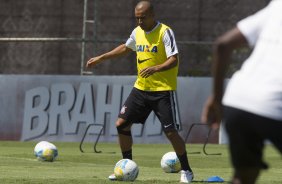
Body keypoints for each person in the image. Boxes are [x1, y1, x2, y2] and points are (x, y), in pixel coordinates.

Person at [86, 1, 193, 183]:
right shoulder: (137, 32)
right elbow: (126, 48)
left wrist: (156, 68)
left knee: (171, 133)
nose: (140, 21)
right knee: (121, 124)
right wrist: (101, 57)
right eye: (137, 18)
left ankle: (187, 171)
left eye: (143, 17)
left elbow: (174, 59)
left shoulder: (165, 32)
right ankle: (126, 167)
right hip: (141, 89)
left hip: (162, 91)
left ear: (152, 15)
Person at [201, 1, 282, 184]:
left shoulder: (278, 6)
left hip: (238, 100)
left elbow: (222, 45)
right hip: (275, 104)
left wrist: (216, 97)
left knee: (243, 177)